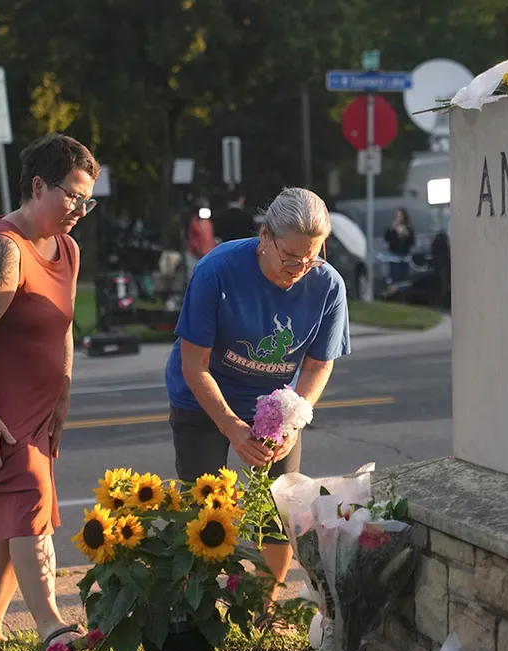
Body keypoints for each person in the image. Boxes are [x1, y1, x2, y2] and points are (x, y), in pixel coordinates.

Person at [0, 133, 99, 650]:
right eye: (72, 195)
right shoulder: (1, 251)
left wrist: (63, 393)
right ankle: (52, 626)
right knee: (30, 501)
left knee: (14, 527)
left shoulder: (66, 248)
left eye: (87, 199)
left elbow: (64, 326)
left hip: (34, 405)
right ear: (37, 186)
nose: (80, 209)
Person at [164, 186, 351, 620]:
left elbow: (317, 366)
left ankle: (258, 611)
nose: (300, 269)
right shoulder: (218, 270)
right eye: (291, 257)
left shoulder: (327, 284)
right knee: (206, 512)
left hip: (274, 403)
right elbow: (196, 366)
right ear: (264, 236)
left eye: (313, 257)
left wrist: (293, 419)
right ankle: (200, 614)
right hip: (204, 397)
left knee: (280, 510)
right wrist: (230, 425)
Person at [384, 208, 415, 284]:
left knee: (405, 278)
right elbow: (387, 239)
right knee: (395, 277)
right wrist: (393, 230)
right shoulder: (391, 228)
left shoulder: (408, 229)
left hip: (405, 256)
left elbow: (412, 242)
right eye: (397, 216)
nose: (399, 218)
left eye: (401, 216)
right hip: (394, 257)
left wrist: (406, 233)